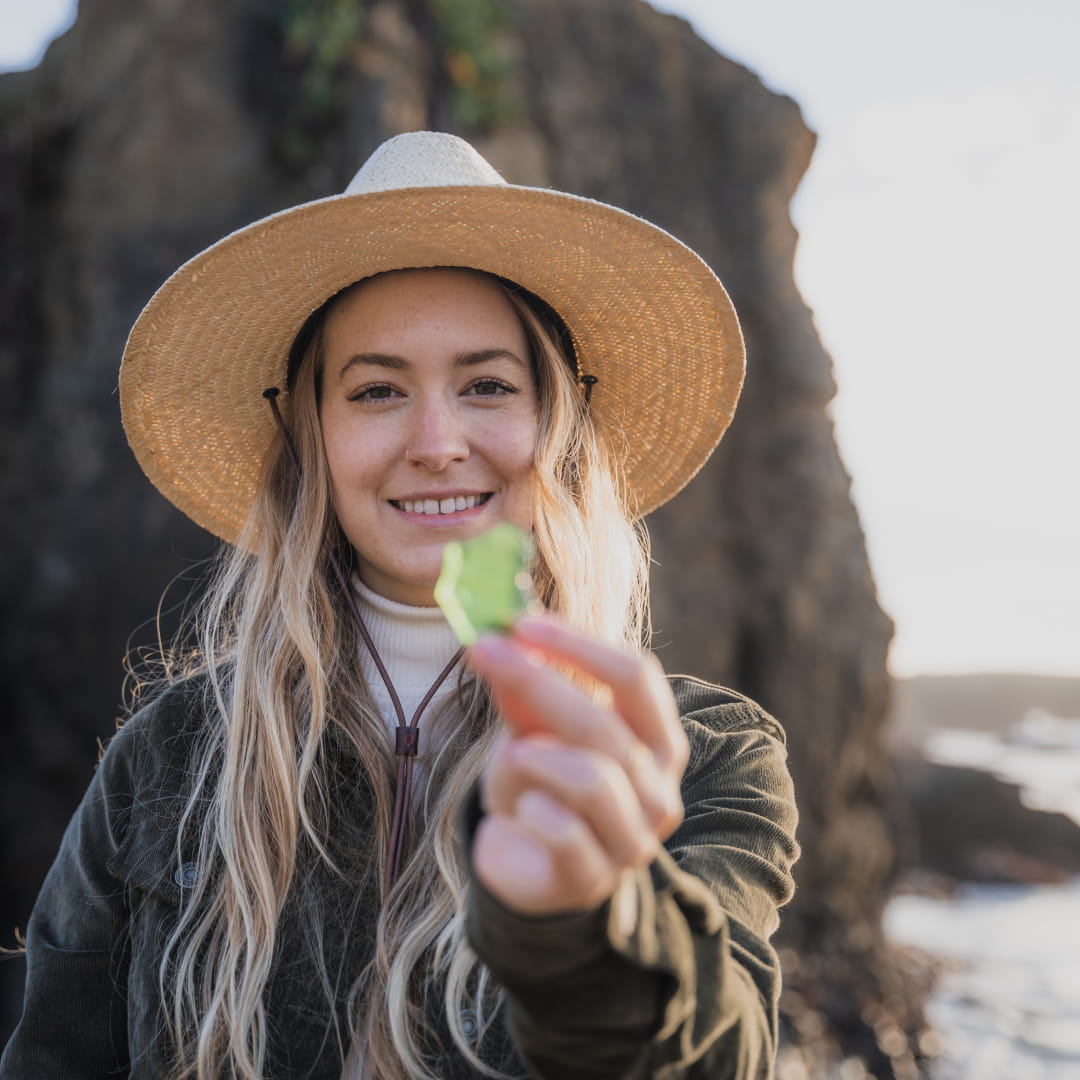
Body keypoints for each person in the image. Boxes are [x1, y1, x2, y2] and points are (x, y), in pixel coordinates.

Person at [0, 131, 799, 1080]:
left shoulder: (704, 754)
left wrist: (594, 931)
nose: (435, 440)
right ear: (314, 440)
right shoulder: (165, 757)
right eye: (377, 389)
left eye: (488, 385)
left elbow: (726, 1057)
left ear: (560, 425)